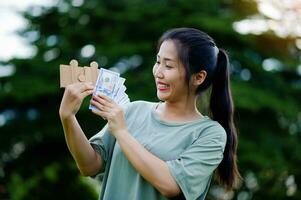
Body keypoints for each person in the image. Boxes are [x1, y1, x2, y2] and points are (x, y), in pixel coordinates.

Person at [59, 27, 240, 200]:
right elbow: (90, 166)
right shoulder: (133, 110)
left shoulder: (210, 134)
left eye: (168, 66)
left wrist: (122, 132)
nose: (158, 72)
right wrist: (68, 117)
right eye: (158, 62)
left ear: (198, 77)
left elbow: (170, 184)